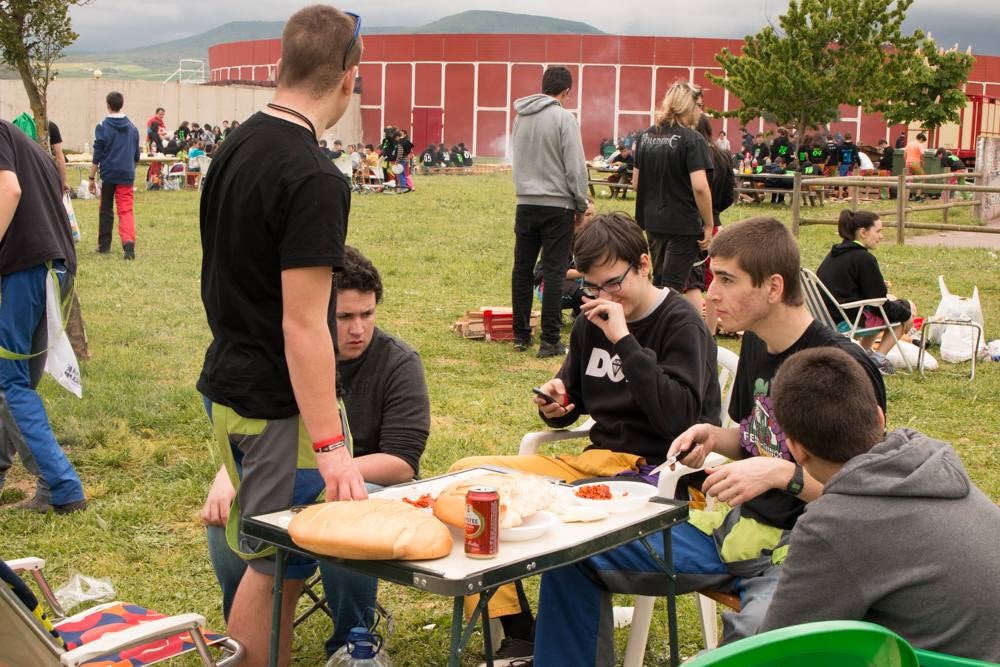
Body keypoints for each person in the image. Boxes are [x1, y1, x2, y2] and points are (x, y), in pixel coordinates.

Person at [530, 216, 885, 666]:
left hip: (803, 553)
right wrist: (714, 435)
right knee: (570, 553)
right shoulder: (758, 342)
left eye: (727, 280)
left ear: (773, 287)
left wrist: (783, 475)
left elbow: (869, 501)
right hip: (724, 530)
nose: (710, 291)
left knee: (750, 648)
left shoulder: (841, 368)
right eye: (712, 275)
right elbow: (756, 434)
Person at [458, 211, 720, 665]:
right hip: (593, 460)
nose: (603, 297)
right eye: (593, 287)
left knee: (552, 516)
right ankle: (520, 630)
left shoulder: (680, 322)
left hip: (654, 472)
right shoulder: (590, 321)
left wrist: (623, 340)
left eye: (614, 283)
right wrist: (557, 404)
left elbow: (680, 418)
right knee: (470, 483)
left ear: (643, 264)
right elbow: (573, 398)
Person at [196, 7, 365, 666]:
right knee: (274, 564)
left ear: (280, 64)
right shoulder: (314, 176)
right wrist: (330, 445)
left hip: (231, 381)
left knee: (280, 562)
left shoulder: (235, 144)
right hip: (275, 403)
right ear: (349, 77)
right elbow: (302, 323)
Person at [201, 246, 430, 658]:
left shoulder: (398, 362)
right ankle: (246, 637)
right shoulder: (291, 357)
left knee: (347, 509)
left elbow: (401, 461)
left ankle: (353, 638)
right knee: (224, 521)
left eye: (368, 314)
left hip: (367, 484)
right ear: (319, 313)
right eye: (344, 317)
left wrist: (332, 472)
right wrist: (228, 473)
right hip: (296, 473)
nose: (359, 328)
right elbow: (262, 431)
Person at [760, 347, 1000, 661]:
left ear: (796, 450)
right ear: (879, 415)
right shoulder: (936, 467)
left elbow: (774, 653)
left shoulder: (831, 527)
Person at [0, 119, 87, 514]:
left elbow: (9, 190)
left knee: (9, 381)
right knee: (13, 383)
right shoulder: (24, 140)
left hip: (28, 269)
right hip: (54, 266)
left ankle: (61, 484)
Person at [510, 65, 589, 358]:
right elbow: (576, 167)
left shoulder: (521, 117)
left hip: (525, 202)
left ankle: (520, 335)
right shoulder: (564, 119)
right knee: (554, 272)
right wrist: (580, 204)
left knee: (522, 269)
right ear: (566, 91)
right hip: (557, 206)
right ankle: (550, 340)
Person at [633, 80, 714, 292]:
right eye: (700, 106)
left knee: (659, 283)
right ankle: (664, 324)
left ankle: (652, 323)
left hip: (651, 220)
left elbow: (635, 183)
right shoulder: (693, 139)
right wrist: (708, 224)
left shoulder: (645, 136)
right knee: (673, 288)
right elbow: (700, 187)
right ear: (689, 106)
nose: (701, 112)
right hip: (682, 223)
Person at [816, 209, 915, 373]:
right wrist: (906, 313)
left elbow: (846, 285)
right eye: (878, 231)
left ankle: (863, 354)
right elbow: (880, 303)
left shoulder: (835, 254)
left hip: (829, 317)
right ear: (863, 232)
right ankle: (878, 359)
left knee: (891, 300)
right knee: (905, 307)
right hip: (847, 322)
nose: (881, 236)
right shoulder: (864, 258)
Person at [690, 114, 735, 335]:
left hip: (690, 222)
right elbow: (729, 196)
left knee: (692, 282)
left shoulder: (690, 153)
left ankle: (704, 331)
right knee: (712, 279)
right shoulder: (724, 156)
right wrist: (714, 213)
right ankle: (711, 329)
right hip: (714, 222)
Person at [88, 91, 140, 260]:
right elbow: (136, 156)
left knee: (106, 209)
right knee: (125, 210)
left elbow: (98, 153)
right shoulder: (133, 128)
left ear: (108, 105)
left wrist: (91, 177)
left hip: (109, 174)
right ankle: (128, 245)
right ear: (122, 104)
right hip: (126, 174)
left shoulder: (103, 126)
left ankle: (104, 245)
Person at [835, 132, 862, 199]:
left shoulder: (840, 146)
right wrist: (859, 164)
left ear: (844, 138)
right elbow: (856, 156)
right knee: (850, 180)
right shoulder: (853, 146)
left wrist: (838, 165)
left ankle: (840, 196)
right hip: (850, 166)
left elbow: (838, 157)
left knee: (841, 181)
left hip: (843, 165)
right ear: (851, 137)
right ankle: (850, 196)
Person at [904, 132, 927, 200]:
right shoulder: (919, 144)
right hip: (915, 163)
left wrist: (906, 161)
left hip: (908, 163)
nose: (922, 142)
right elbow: (922, 154)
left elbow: (905, 154)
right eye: (923, 141)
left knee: (909, 180)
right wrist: (922, 161)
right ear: (921, 139)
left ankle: (906, 197)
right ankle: (917, 195)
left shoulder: (909, 144)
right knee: (923, 177)